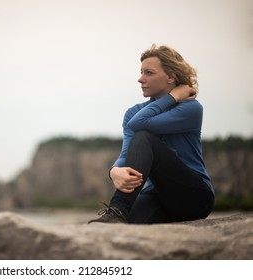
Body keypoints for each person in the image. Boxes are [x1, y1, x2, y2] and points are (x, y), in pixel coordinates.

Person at [88, 44, 215, 224]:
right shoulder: (134, 113)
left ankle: (118, 210)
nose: (140, 79)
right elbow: (126, 155)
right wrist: (114, 171)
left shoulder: (190, 108)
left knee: (144, 137)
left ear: (170, 76)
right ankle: (118, 213)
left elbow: (140, 125)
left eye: (149, 73)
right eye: (141, 72)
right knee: (129, 226)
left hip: (193, 197)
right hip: (156, 196)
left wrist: (173, 98)